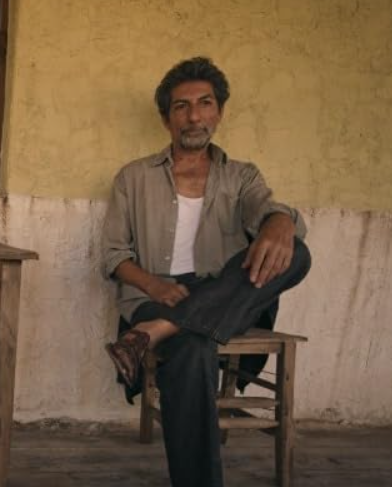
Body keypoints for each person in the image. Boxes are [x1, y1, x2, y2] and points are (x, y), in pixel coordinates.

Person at [101, 56, 311, 487]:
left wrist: (280, 221)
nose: (194, 116)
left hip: (226, 290)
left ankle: (156, 333)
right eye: (181, 106)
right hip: (155, 296)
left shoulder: (243, 176)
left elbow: (267, 213)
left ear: (220, 112)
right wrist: (155, 285)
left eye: (205, 103)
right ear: (166, 119)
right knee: (194, 346)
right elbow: (112, 256)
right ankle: (162, 326)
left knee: (299, 252)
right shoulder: (132, 178)